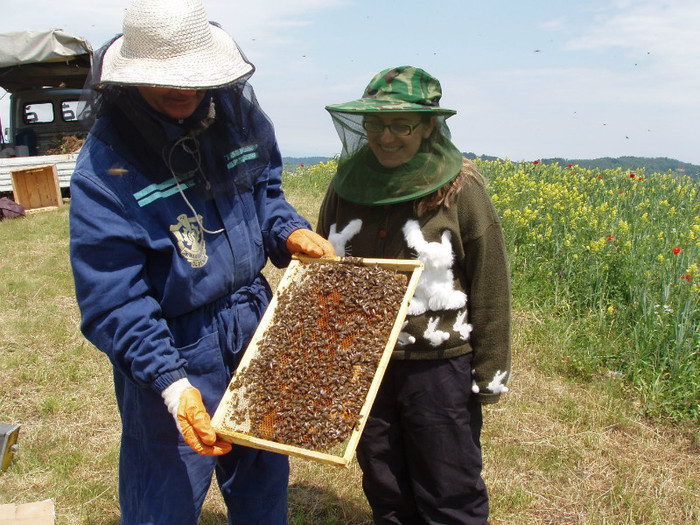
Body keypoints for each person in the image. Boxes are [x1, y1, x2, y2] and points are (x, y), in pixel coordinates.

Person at [68, 0, 334, 523]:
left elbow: (263, 190)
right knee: (163, 500)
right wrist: (170, 383)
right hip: (175, 342)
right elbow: (112, 299)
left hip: (254, 322)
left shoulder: (236, 119)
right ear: (130, 78)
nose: (184, 90)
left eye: (193, 77)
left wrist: (289, 230)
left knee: (262, 486)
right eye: (167, 78)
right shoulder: (104, 170)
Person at [317, 66, 511, 524]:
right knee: (384, 480)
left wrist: (490, 372)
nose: (386, 137)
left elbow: (490, 281)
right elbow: (324, 261)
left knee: (449, 485)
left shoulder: (463, 188)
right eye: (375, 124)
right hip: (366, 362)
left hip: (438, 365)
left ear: (427, 126)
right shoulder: (347, 183)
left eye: (401, 124)